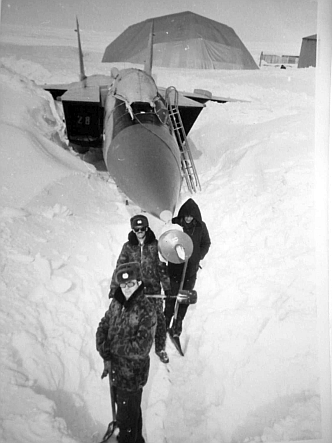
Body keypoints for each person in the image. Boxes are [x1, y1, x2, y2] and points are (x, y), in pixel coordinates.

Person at [96, 262, 157, 443]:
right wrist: (105, 351)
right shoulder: (116, 303)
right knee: (131, 414)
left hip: (132, 377)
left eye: (131, 284)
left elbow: (142, 347)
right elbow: (103, 326)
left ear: (139, 282)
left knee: (126, 422)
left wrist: (112, 347)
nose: (127, 289)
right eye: (123, 285)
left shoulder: (146, 309)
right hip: (116, 371)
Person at [109, 214, 171, 364]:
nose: (140, 232)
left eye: (142, 229)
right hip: (136, 290)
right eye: (137, 230)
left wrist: (167, 288)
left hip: (154, 289)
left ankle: (160, 348)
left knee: (159, 319)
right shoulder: (128, 247)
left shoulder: (156, 245)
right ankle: (136, 346)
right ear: (133, 230)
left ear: (147, 228)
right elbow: (120, 268)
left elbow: (162, 268)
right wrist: (114, 289)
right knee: (136, 319)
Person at [165, 198, 211, 337]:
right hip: (175, 268)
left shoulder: (200, 227)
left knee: (184, 297)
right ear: (183, 215)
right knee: (171, 295)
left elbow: (206, 243)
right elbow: (166, 243)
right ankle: (166, 320)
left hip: (190, 270)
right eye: (186, 215)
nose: (189, 218)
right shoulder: (176, 226)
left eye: (191, 216)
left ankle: (178, 323)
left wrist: (198, 256)